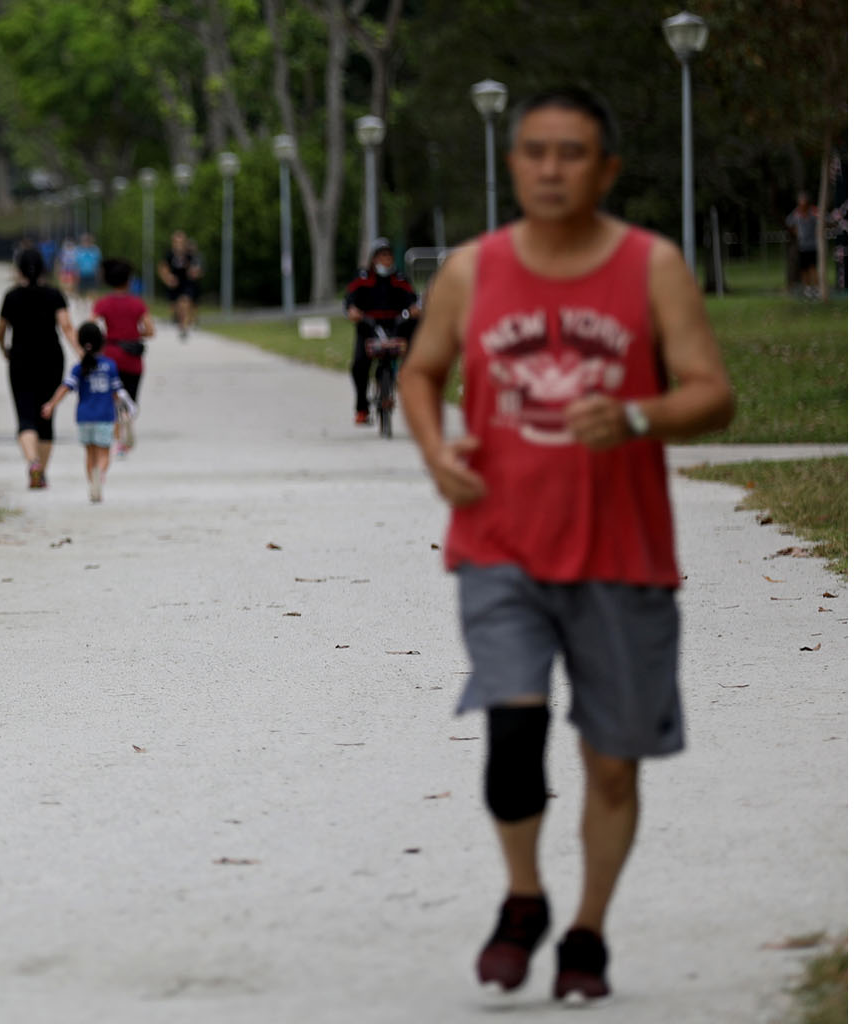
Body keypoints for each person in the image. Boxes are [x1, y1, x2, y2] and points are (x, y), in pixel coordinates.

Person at [397, 86, 734, 1005]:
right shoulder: (472, 271)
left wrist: (637, 415)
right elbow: (421, 373)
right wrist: (435, 450)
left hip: (621, 548)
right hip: (498, 541)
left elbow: (713, 393)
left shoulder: (651, 266)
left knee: (612, 764)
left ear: (607, 169)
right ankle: (524, 898)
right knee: (513, 735)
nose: (551, 169)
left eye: (572, 153)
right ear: (514, 164)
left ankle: (587, 928)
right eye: (536, 151)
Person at [0, 248, 78, 489]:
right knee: (46, 415)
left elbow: (0, 330)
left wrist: (4, 349)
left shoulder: (11, 296)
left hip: (20, 358)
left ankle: (32, 461)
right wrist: (82, 353)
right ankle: (41, 473)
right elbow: (66, 326)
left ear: (19, 269)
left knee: (25, 414)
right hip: (51, 359)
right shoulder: (54, 294)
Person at [41, 323, 134, 503]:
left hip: (84, 417)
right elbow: (117, 393)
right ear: (102, 343)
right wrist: (125, 411)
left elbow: (65, 387)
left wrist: (51, 404)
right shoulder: (110, 366)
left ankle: (92, 482)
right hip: (105, 417)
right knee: (104, 452)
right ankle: (100, 475)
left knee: (89, 453)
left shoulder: (79, 368)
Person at [345, 238, 420, 426]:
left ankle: (407, 383)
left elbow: (413, 300)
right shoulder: (363, 279)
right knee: (359, 366)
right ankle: (362, 408)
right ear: (374, 259)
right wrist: (352, 310)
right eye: (381, 256)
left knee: (414, 341)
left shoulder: (400, 279)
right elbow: (350, 300)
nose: (385, 260)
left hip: (396, 327)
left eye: (388, 256)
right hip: (369, 328)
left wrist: (413, 310)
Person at [91, 258, 155, 455]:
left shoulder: (103, 303)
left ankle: (117, 437)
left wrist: (105, 338)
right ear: (129, 281)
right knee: (130, 398)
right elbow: (150, 330)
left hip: (111, 354)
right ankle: (126, 428)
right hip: (132, 357)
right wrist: (135, 334)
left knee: (114, 398)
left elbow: (91, 326)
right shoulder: (137, 303)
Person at [157, 231, 202, 338]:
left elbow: (197, 269)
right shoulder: (169, 255)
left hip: (187, 283)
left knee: (185, 302)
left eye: (181, 242)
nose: (179, 245)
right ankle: (179, 319)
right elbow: (162, 268)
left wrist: (194, 272)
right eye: (176, 242)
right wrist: (168, 278)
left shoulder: (190, 255)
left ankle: (184, 327)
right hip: (174, 284)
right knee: (176, 308)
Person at [785, 191, 821, 297]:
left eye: (804, 201)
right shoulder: (796, 213)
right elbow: (788, 222)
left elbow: (824, 219)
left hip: (813, 245)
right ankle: (807, 288)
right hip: (802, 246)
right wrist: (795, 232)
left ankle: (816, 287)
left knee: (814, 267)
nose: (802, 204)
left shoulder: (813, 211)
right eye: (801, 202)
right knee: (804, 268)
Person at [75, 233, 103, 303]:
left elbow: (98, 263)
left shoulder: (95, 250)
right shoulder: (79, 250)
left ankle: (92, 304)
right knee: (80, 291)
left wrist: (99, 273)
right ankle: (81, 304)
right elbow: (76, 264)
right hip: (82, 274)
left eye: (88, 241)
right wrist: (76, 274)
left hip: (92, 274)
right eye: (85, 241)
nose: (86, 242)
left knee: (93, 291)